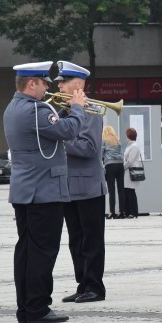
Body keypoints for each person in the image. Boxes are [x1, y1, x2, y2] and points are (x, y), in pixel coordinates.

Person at [4, 61, 86, 323]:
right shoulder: (35, 110)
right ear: (32, 84)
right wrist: (77, 108)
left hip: (25, 191)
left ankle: (26, 307)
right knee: (43, 252)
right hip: (44, 192)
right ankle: (38, 307)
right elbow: (69, 131)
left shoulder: (13, 108)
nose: (48, 88)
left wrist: (63, 111)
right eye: (44, 83)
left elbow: (49, 132)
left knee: (26, 251)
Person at [56, 61, 107, 305]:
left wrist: (58, 142)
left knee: (92, 240)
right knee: (75, 240)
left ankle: (95, 286)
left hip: (88, 187)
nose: (58, 85)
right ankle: (82, 283)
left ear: (78, 85)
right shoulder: (63, 113)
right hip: (68, 187)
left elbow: (89, 147)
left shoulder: (92, 110)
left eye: (63, 82)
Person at [102, 125, 126, 219]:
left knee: (111, 189)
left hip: (110, 165)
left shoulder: (104, 140)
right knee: (121, 189)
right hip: (120, 165)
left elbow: (101, 153)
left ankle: (112, 212)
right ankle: (122, 212)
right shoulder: (117, 140)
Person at [122, 129, 141, 219]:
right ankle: (128, 211)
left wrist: (122, 168)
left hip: (130, 172)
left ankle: (133, 212)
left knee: (131, 192)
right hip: (127, 172)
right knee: (127, 192)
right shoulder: (130, 145)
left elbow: (130, 160)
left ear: (129, 136)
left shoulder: (134, 146)